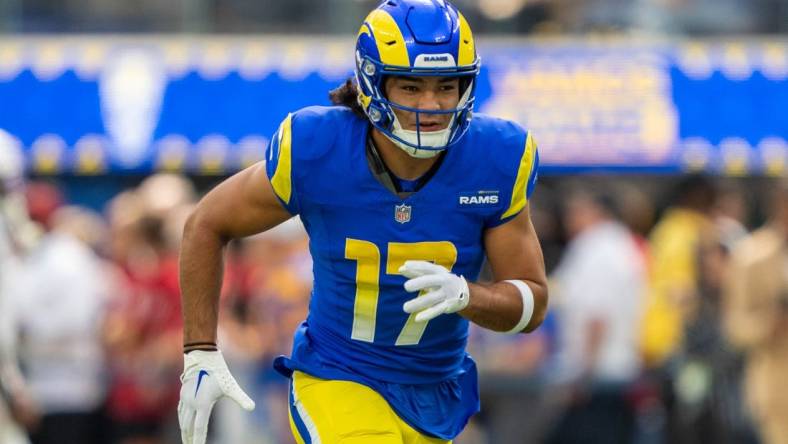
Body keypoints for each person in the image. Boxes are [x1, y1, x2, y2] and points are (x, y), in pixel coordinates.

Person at [177, 1, 548, 443]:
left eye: (446, 87)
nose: (431, 106)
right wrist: (199, 351)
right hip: (338, 376)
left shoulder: (496, 157)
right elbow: (206, 222)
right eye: (411, 88)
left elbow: (532, 302)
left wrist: (468, 295)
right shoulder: (318, 148)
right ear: (373, 83)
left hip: (435, 390)